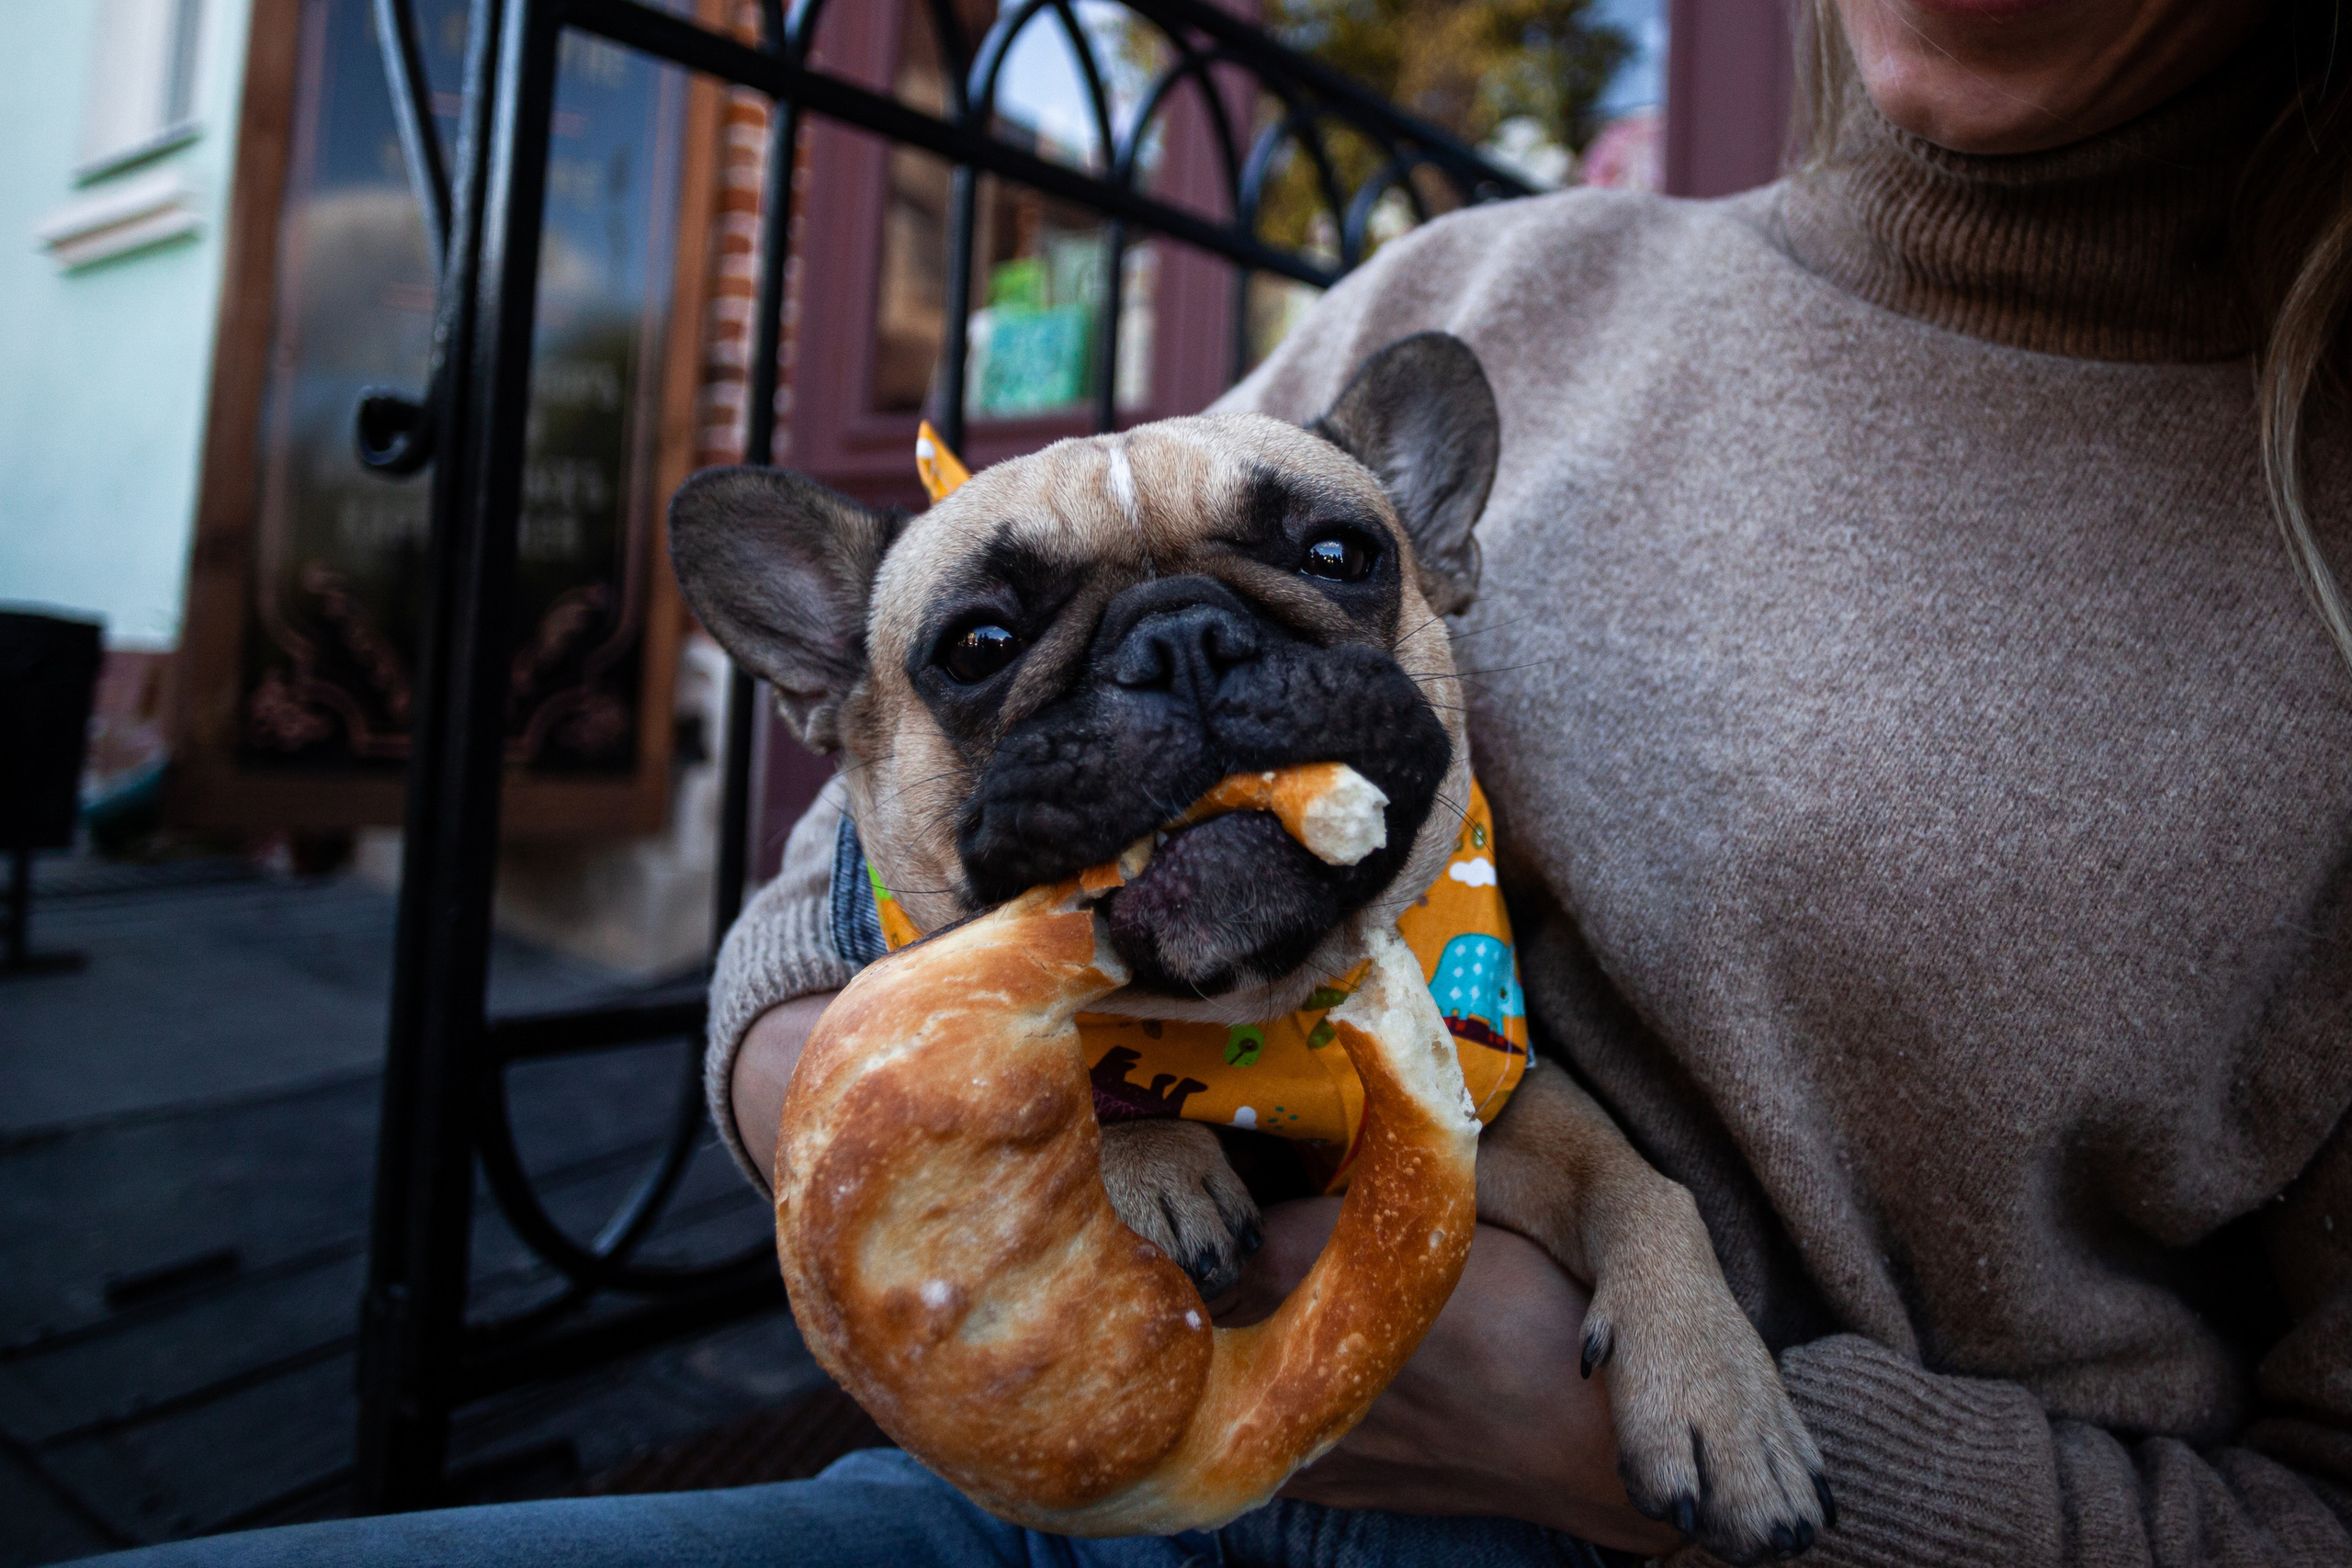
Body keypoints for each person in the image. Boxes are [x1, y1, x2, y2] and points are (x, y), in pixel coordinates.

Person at [86, 0, 2352, 1562]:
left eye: (1314, 577)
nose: (1179, 667)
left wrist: (1592, 1442)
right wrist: (863, 1118)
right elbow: (855, 845)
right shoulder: (1489, 282)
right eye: (1041, 637)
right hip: (1060, 1466)